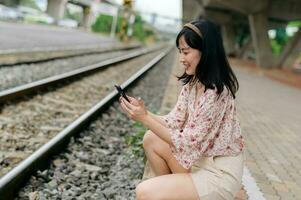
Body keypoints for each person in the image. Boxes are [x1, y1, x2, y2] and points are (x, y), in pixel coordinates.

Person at [119, 19, 245, 200]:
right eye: (180, 52)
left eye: (186, 52)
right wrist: (142, 113)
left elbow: (186, 143)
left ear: (206, 51)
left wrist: (145, 118)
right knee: (151, 138)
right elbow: (174, 121)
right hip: (198, 161)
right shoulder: (193, 85)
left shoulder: (216, 93)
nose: (181, 59)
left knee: (144, 192)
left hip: (218, 173)